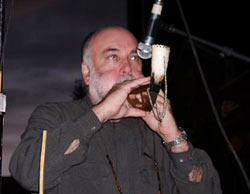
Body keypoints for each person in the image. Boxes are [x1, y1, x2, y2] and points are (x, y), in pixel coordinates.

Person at [9, 26, 222, 194]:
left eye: (134, 57)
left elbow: (208, 189)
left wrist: (173, 138)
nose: (127, 67)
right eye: (113, 57)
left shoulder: (154, 128)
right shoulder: (55, 115)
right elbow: (28, 174)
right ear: (87, 73)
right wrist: (100, 114)